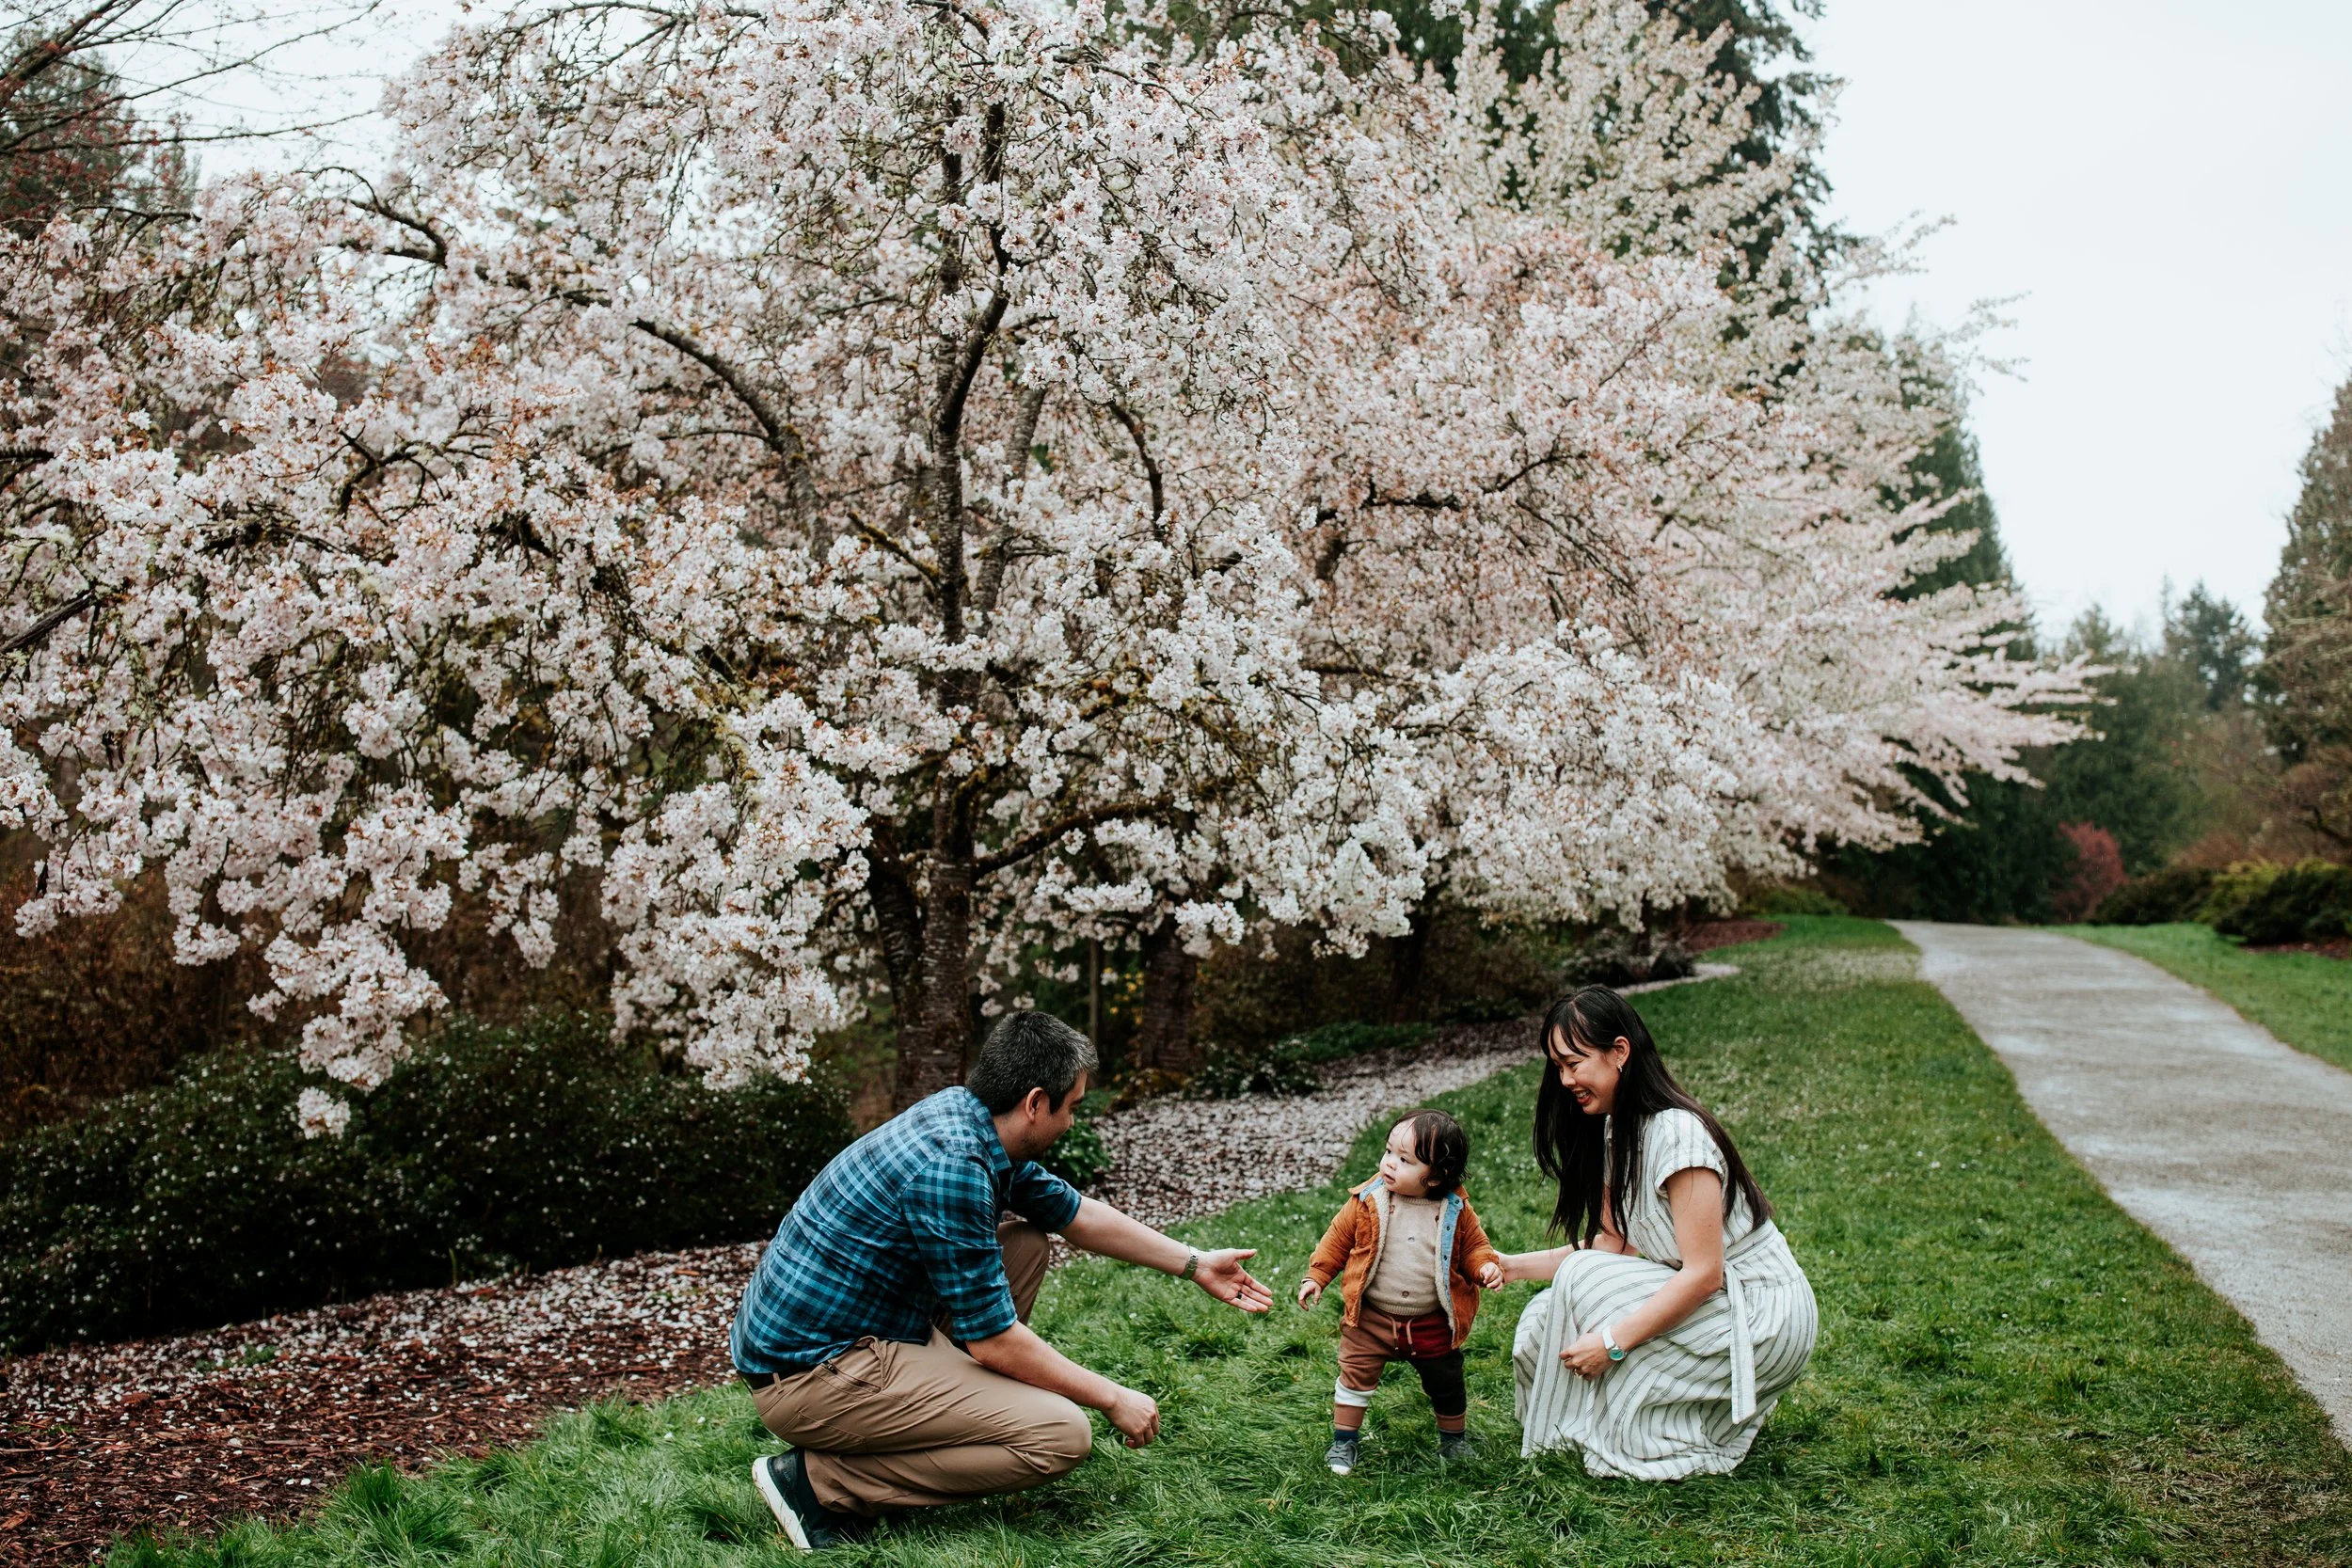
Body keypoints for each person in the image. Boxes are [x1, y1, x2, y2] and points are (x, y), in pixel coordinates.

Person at [732, 1010, 1273, 1549]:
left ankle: (942, 1412)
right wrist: (1113, 1398)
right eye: (1072, 1107)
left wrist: (1196, 1263)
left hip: (861, 1330)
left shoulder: (970, 1120)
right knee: (1060, 1435)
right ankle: (817, 1484)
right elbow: (994, 1340)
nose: (1072, 1123)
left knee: (1027, 1244)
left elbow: (1076, 1215)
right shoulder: (953, 1165)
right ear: (1035, 1103)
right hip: (811, 1376)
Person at [1497, 987, 1817, 1480]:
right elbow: (1611, 1245)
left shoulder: (1678, 1134)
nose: (1564, 1080)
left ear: (1619, 1052)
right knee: (1543, 1320)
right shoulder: (1615, 1133)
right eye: (1557, 1067)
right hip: (1713, 1302)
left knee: (1588, 1295)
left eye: (1574, 1063)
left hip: (1762, 1315)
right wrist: (1511, 1267)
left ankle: (1648, 1427)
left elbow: (1704, 1274)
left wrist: (1613, 1342)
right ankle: (1569, 1436)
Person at [1296, 1108, 1506, 1475]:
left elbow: (1474, 1247)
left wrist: (1484, 1267)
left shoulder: (1454, 1209)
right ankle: (1344, 1441)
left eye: (1405, 1160)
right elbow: (1336, 1240)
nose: (1389, 1163)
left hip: (1431, 1322)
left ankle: (1453, 1441)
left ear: (1436, 1176)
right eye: (1389, 1151)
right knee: (1354, 1374)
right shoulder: (1368, 1201)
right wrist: (1316, 1275)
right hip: (1371, 1319)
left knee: (1447, 1381)